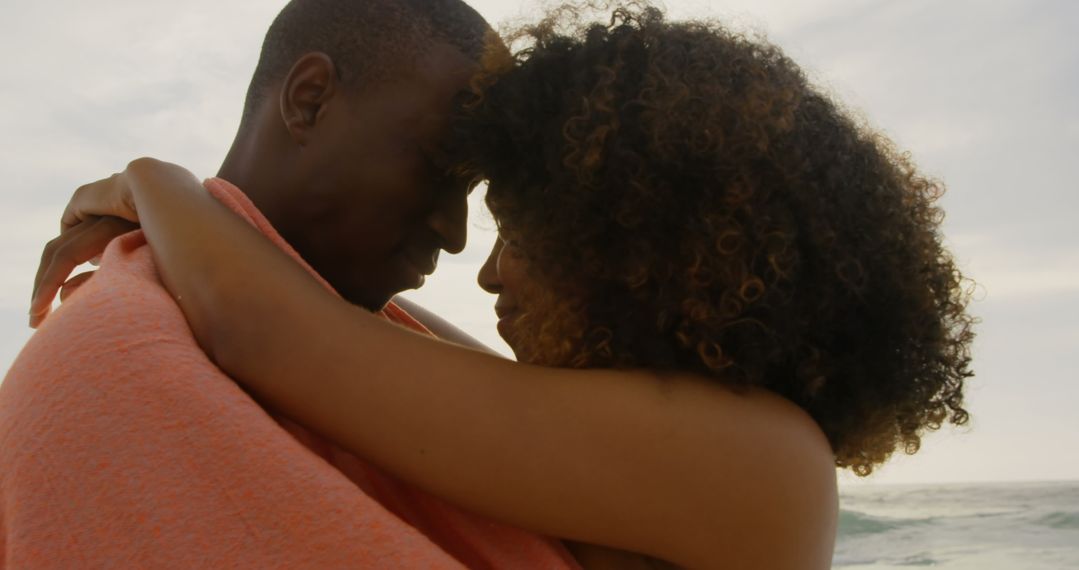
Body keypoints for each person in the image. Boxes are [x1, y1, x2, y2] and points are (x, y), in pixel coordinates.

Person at [30, 4, 976, 569]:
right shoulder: (670, 437)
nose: (481, 262)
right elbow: (392, 344)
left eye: (519, 227)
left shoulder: (766, 463)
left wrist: (156, 182)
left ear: (631, 249)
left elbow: (276, 328)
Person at [3, 0, 582, 568]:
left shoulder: (328, 332)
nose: (455, 235)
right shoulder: (122, 361)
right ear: (310, 100)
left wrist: (161, 187)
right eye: (437, 167)